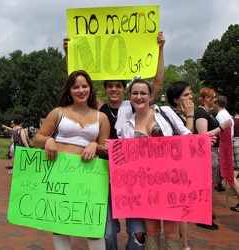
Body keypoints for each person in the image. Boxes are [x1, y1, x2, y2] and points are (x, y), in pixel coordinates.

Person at [64, 31, 165, 250]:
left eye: (118, 86)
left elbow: (157, 83)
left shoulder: (134, 104)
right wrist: (68, 54)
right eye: (110, 86)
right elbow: (76, 84)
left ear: (124, 90)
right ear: (105, 89)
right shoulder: (99, 108)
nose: (114, 89)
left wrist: (160, 49)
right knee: (107, 231)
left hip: (133, 175)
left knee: (138, 231)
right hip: (104, 171)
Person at [33, 70, 110, 250]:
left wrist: (94, 145)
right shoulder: (58, 112)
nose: (80, 90)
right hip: (60, 176)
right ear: (69, 90)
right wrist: (48, 140)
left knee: (92, 225)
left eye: (84, 86)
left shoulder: (102, 117)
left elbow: (105, 149)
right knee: (59, 225)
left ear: (91, 89)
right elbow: (37, 138)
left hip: (88, 178)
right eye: (76, 87)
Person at [121, 79, 192, 250]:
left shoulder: (165, 112)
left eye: (143, 93)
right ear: (130, 97)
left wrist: (202, 140)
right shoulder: (126, 127)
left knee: (171, 232)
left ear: (151, 96)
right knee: (151, 231)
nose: (139, 96)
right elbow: (126, 159)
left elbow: (186, 135)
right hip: (145, 185)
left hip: (171, 180)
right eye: (135, 93)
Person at [194, 88, 232, 230]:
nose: (215, 100)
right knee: (206, 185)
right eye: (212, 98)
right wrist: (222, 127)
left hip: (212, 152)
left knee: (209, 184)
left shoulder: (207, 113)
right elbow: (204, 136)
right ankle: (203, 216)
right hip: (207, 153)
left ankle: (205, 213)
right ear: (204, 98)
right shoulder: (201, 113)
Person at [166, 80, 194, 250]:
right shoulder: (171, 116)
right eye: (186, 94)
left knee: (185, 209)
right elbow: (186, 139)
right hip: (176, 170)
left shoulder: (185, 114)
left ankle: (184, 243)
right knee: (180, 210)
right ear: (176, 99)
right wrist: (190, 116)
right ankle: (183, 245)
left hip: (188, 167)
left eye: (190, 93)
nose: (190, 96)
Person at [216, 100, 239, 212]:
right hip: (228, 146)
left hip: (226, 147)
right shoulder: (227, 115)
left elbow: (222, 133)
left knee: (231, 175)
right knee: (230, 174)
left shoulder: (221, 115)